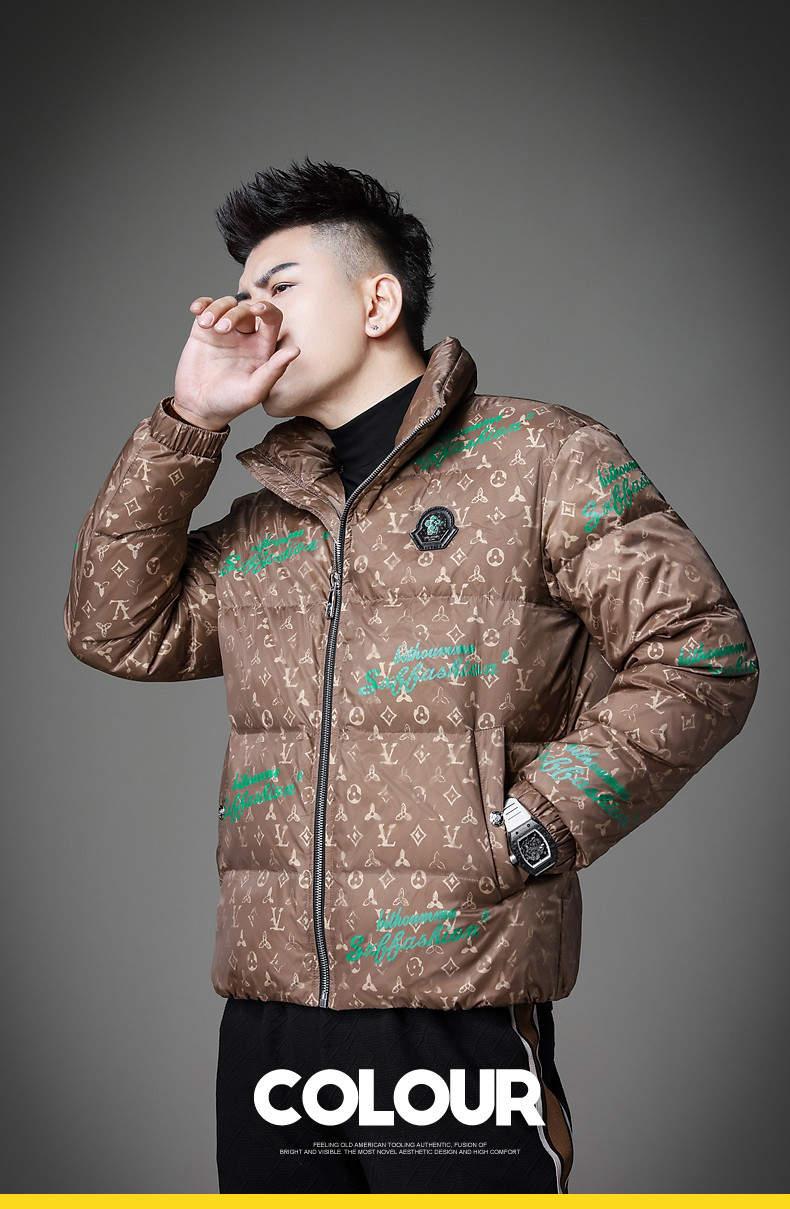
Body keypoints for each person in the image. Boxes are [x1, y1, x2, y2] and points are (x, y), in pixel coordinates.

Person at [65, 160, 758, 1194]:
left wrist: (532, 826)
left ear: (377, 301)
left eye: (280, 286)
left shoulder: (542, 458)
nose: (249, 316)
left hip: (456, 1010)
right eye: (240, 293)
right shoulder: (263, 525)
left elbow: (700, 651)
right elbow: (113, 628)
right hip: (270, 1025)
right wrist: (189, 420)